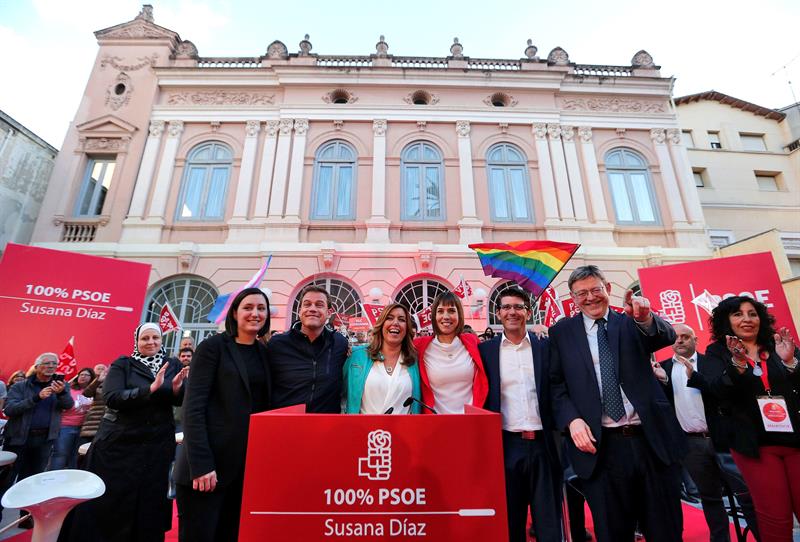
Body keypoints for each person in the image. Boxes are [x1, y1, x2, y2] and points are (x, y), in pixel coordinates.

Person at [549, 265, 685, 542]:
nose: (590, 298)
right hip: (601, 449)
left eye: (596, 290)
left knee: (665, 529)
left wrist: (646, 319)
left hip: (649, 442)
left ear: (608, 289)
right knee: (612, 531)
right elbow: (556, 385)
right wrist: (572, 419)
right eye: (581, 293)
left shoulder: (631, 322)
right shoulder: (562, 333)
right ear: (573, 299)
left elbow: (665, 336)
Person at [67, 323, 188, 542]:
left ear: (162, 340)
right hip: (120, 445)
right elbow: (113, 398)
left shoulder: (172, 364)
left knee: (149, 500)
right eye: (145, 338)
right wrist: (148, 390)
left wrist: (179, 390)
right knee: (114, 501)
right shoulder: (123, 364)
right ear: (137, 341)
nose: (151, 342)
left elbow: (177, 399)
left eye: (155, 338)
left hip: (157, 445)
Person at [175, 287, 271, 542]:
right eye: (248, 308)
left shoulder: (263, 352)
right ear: (235, 313)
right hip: (207, 471)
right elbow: (193, 407)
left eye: (261, 308)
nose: (255, 313)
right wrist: (202, 465)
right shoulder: (212, 347)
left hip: (241, 471)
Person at [706, 296, 800, 542]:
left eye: (752, 313)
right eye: (738, 314)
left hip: (796, 440)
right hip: (755, 444)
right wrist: (737, 364)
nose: (747, 319)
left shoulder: (778, 343)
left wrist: (790, 363)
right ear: (726, 321)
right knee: (775, 517)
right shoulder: (717, 352)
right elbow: (718, 391)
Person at [658, 323, 760, 542]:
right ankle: (719, 538)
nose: (680, 340)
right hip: (691, 444)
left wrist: (695, 376)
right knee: (709, 497)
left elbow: (725, 393)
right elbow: (663, 404)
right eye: (676, 337)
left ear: (695, 340)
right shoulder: (662, 368)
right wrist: (663, 381)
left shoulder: (711, 363)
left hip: (723, 440)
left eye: (686, 336)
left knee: (745, 495)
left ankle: (764, 536)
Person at [479, 286, 562, 542]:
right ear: (498, 312)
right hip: (506, 445)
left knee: (549, 524)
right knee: (511, 522)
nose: (512, 312)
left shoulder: (545, 348)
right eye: (506, 307)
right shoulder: (486, 352)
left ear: (528, 312)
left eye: (518, 307)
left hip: (544, 445)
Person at [2, 353, 73, 526]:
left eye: (54, 364)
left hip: (43, 440)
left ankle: (25, 519)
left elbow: (68, 405)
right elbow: (10, 410)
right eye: (47, 363)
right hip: (18, 439)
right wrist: (36, 398)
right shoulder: (20, 386)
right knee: (6, 480)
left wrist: (62, 392)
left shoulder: (61, 386)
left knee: (32, 481)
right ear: (37, 366)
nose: (51, 366)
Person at [268, 285, 349, 413]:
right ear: (300, 310)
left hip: (325, 426)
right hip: (285, 424)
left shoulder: (340, 343)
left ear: (329, 312)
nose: (312, 309)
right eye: (307, 304)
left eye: (319, 305)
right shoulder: (277, 344)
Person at [414, 291, 487, 414]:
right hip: (435, 424)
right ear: (433, 316)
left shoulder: (473, 342)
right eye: (440, 311)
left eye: (452, 311)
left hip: (470, 422)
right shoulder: (419, 346)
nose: (446, 316)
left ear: (459, 315)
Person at [344, 303, 421, 414]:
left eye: (401, 319)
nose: (395, 323)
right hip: (363, 430)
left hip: (404, 430)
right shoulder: (357, 356)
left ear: (407, 328)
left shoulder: (415, 359)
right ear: (381, 324)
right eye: (389, 318)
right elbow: (340, 393)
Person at [49, 367, 94, 470]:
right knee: (60, 454)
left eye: (87, 375)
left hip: (84, 429)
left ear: (92, 378)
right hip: (65, 426)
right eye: (81, 374)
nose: (83, 377)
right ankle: (52, 479)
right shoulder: (69, 388)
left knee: (77, 456)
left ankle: (72, 481)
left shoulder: (94, 391)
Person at [78, 364, 108, 448]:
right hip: (91, 425)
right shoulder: (97, 384)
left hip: (106, 426)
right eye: (99, 368)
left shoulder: (116, 384)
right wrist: (98, 380)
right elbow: (86, 393)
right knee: (84, 454)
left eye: (103, 369)